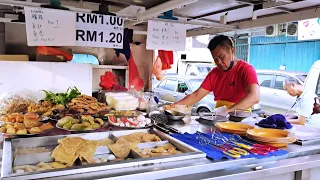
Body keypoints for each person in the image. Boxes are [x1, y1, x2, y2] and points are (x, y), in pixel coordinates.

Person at [173, 35, 260, 113]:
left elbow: (254, 97)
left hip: (240, 116)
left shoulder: (246, 70)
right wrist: (173, 106)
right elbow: (196, 95)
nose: (219, 62)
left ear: (232, 51)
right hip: (219, 116)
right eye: (215, 59)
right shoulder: (214, 73)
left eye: (222, 57)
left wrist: (228, 111)